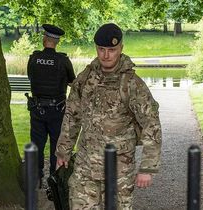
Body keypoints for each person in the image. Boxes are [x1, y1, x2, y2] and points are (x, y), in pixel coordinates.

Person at [56, 23, 162, 209]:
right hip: (85, 166)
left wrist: (147, 167)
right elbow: (72, 115)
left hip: (119, 169)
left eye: (111, 50)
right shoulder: (85, 78)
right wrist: (63, 151)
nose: (105, 55)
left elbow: (151, 124)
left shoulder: (131, 84)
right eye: (101, 49)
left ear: (121, 48)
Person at [27, 24, 76, 187]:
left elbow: (31, 76)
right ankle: (55, 179)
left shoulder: (33, 58)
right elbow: (72, 81)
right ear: (57, 42)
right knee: (56, 144)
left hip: (37, 109)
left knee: (36, 144)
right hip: (57, 110)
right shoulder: (63, 60)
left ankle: (36, 178)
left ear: (44, 40)